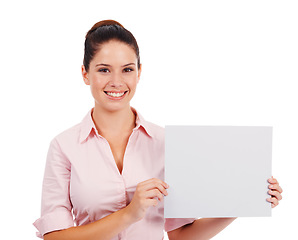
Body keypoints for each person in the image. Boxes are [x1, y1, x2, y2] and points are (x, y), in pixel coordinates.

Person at [33, 20, 283, 240]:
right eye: (104, 70)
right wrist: (130, 214)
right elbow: (55, 238)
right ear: (85, 74)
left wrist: (243, 200)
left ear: (139, 73)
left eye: (127, 69)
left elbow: (182, 235)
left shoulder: (166, 143)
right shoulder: (63, 146)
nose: (117, 82)